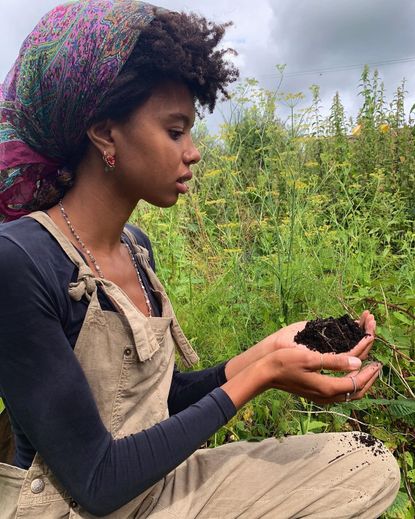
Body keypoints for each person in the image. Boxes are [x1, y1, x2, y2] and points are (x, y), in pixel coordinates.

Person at [0, 1, 400, 518]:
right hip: (74, 507)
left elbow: (154, 404)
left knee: (365, 468)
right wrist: (264, 375)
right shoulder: (22, 261)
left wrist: (266, 352)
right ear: (103, 132)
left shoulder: (135, 248)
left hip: (155, 487)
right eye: (174, 131)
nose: (192, 151)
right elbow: (95, 481)